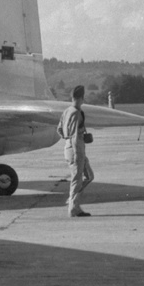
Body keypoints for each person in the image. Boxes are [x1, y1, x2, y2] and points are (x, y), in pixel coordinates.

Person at [58, 85, 95, 218]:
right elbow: (74, 135)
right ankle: (73, 208)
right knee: (77, 180)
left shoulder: (67, 111)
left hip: (69, 146)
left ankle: (72, 201)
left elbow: (59, 129)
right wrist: (77, 152)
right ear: (80, 98)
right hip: (76, 148)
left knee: (89, 176)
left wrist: (68, 139)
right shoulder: (76, 113)